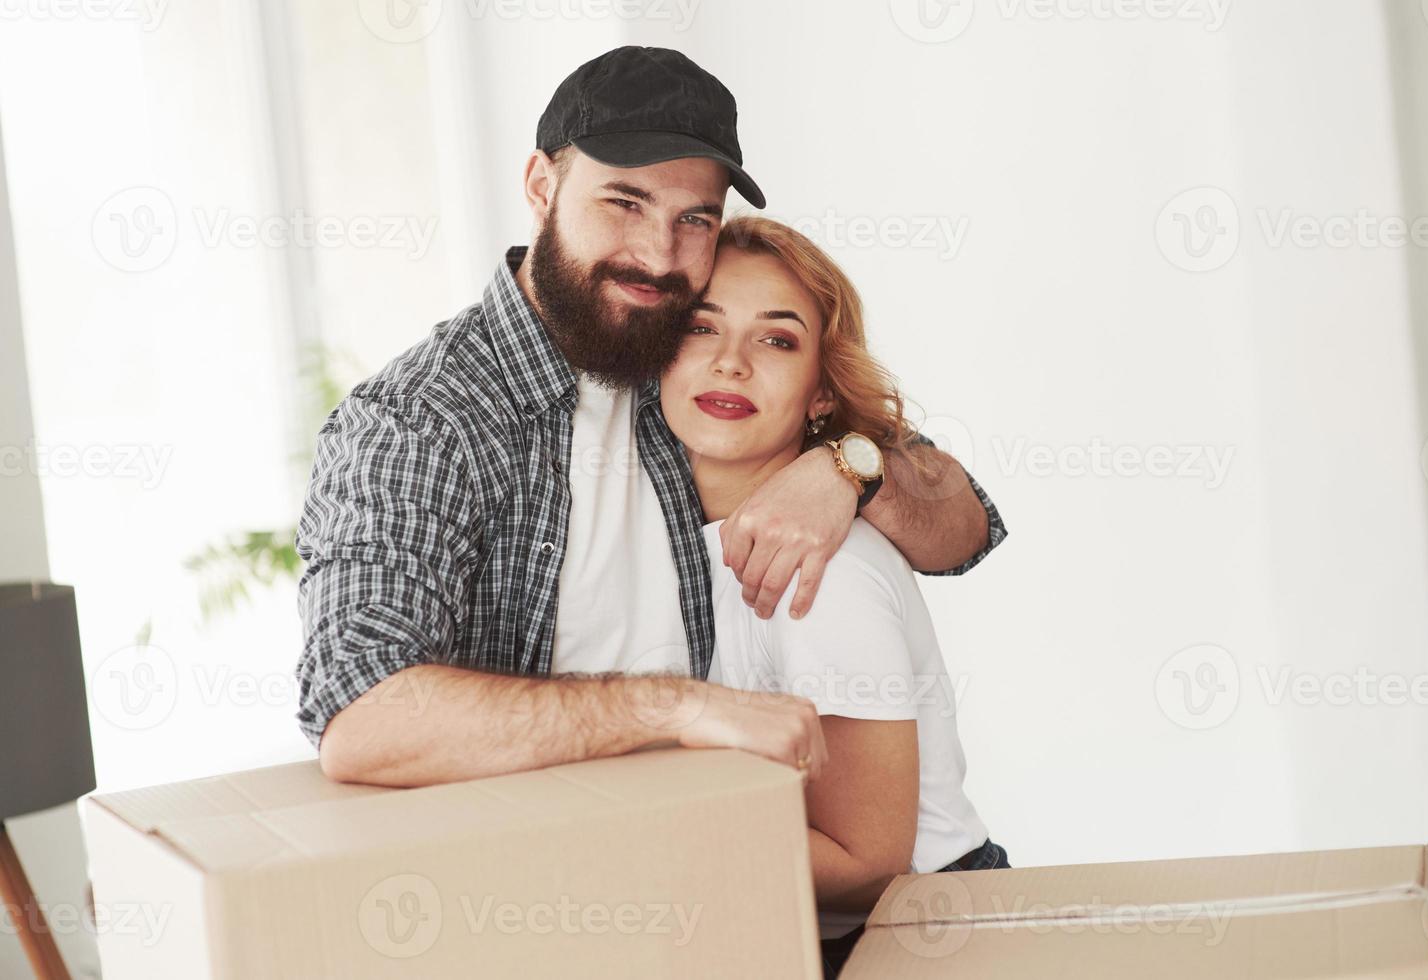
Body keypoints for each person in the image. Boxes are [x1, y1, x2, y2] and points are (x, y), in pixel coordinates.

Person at [293, 45, 1006, 792]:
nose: (658, 254)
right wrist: (676, 707)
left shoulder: (680, 351)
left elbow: (964, 530)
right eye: (624, 203)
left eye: (694, 218)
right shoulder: (424, 422)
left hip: (696, 868)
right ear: (542, 186)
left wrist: (848, 468)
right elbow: (360, 718)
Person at [658, 216, 1010, 978]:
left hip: (918, 933)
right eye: (700, 328)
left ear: (820, 391)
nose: (731, 364)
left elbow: (866, 859)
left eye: (776, 339)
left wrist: (623, 846)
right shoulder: (675, 545)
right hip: (796, 929)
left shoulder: (823, 569)